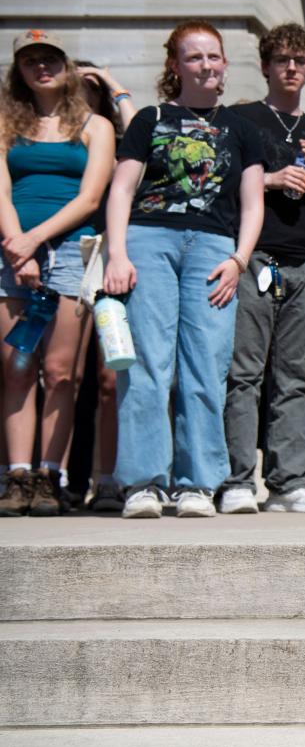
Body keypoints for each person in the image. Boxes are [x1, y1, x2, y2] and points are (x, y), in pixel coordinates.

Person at [102, 20, 264, 519]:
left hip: (215, 249)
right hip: (149, 241)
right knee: (148, 364)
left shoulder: (243, 129)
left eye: (213, 56)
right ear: (175, 65)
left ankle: (197, 483)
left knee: (207, 365)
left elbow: (252, 205)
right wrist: (118, 254)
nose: (205, 66)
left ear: (225, 63)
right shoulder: (150, 118)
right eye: (193, 57)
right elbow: (122, 190)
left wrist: (239, 260)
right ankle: (143, 484)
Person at [219, 23, 305, 514]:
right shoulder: (240, 118)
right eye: (283, 60)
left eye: (301, 62)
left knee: (296, 376)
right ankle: (236, 480)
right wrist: (268, 179)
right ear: (266, 66)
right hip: (254, 256)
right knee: (244, 372)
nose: (292, 69)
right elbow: (219, 183)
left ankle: (289, 482)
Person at [0, 30, 114, 517]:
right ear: (18, 71)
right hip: (10, 254)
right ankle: (17, 475)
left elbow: (90, 199)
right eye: (30, 61)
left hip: (73, 250)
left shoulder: (96, 125)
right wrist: (18, 249)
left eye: (49, 59)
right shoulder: (5, 122)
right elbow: (0, 192)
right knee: (15, 367)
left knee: (60, 371)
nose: (41, 68)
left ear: (66, 67)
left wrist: (35, 240)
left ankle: (51, 474)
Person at [71, 61, 137, 512]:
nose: (82, 93)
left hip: (106, 259)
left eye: (89, 87)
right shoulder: (46, 134)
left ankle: (109, 478)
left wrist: (113, 84)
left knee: (110, 377)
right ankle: (65, 479)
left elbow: (142, 130)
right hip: (59, 259)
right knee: (65, 378)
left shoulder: (116, 141)